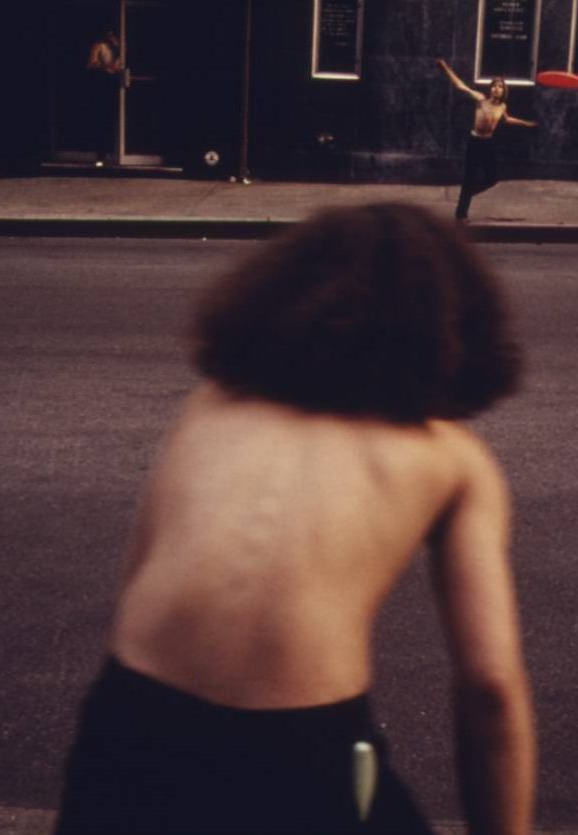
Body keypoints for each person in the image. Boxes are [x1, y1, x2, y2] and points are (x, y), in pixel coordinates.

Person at [53, 202, 536, 835]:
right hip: (303, 752)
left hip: (134, 725)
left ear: (286, 296)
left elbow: (136, 581)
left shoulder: (211, 406)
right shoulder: (452, 461)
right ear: (452, 327)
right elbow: (491, 687)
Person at [436, 59, 538, 221]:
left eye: (500, 87)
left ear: (504, 91)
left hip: (488, 143)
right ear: (490, 88)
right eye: (494, 86)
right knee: (469, 176)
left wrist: (525, 123)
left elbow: (506, 119)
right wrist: (445, 68)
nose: (496, 89)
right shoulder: (481, 99)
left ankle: (468, 192)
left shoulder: (502, 107)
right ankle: (461, 213)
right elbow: (460, 86)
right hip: (475, 142)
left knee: (492, 178)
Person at [86, 30, 125, 167]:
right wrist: (106, 66)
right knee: (101, 119)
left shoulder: (118, 47)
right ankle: (101, 155)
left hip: (113, 84)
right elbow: (91, 63)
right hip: (102, 82)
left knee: (111, 120)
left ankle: (112, 154)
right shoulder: (99, 45)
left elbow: (120, 64)